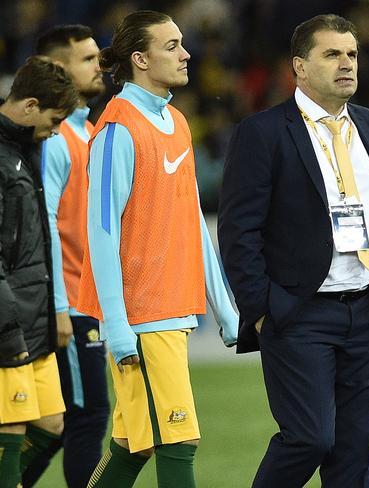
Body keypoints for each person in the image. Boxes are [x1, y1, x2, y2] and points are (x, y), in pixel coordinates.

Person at [218, 13, 369, 488]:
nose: (347, 63)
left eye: (351, 54)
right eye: (332, 54)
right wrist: (262, 309)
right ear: (299, 67)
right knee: (309, 438)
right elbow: (238, 231)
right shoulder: (262, 132)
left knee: (354, 454)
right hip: (300, 313)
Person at [74, 10, 238, 488]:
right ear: (140, 59)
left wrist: (223, 306)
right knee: (178, 442)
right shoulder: (117, 130)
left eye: (182, 43)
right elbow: (101, 232)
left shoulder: (177, 121)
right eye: (172, 46)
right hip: (142, 317)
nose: (186, 54)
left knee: (132, 448)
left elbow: (192, 222)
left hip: (170, 311)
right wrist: (118, 327)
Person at [17, 25, 111, 488]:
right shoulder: (56, 140)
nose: (101, 66)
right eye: (89, 58)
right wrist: (59, 307)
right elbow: (46, 224)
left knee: (62, 422)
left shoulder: (86, 130)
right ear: (58, 68)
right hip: (68, 303)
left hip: (83, 302)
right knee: (85, 416)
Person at [0, 56, 78, 488]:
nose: (58, 129)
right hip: (8, 325)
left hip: (34, 317)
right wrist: (9, 333)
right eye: (55, 118)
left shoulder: (29, 149)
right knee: (10, 429)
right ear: (30, 106)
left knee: (50, 424)